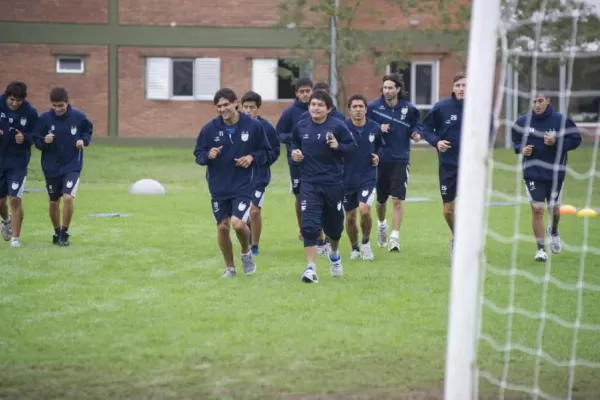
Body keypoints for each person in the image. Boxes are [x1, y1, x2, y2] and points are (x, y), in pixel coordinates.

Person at [194, 88, 274, 277]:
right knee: (222, 226)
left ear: (235, 103)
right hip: (218, 185)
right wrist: (208, 155)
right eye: (219, 106)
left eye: (226, 105)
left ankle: (246, 252)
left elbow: (267, 152)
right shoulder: (209, 129)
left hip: (244, 184)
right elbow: (198, 155)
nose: (222, 109)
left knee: (238, 224)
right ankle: (230, 268)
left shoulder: (254, 127)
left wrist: (252, 157)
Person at [291, 90, 357, 283]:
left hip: (333, 184)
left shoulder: (338, 126)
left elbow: (353, 149)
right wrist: (295, 154)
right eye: (313, 104)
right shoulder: (301, 126)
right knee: (309, 226)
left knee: (334, 229)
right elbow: (294, 143)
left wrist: (338, 146)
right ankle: (311, 269)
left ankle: (334, 255)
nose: (316, 108)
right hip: (309, 183)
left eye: (320, 105)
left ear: (328, 108)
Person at [512, 90, 582, 262]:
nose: (536, 105)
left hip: (555, 173)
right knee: (537, 209)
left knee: (554, 209)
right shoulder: (523, 121)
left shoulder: (561, 121)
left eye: (540, 101)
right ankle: (541, 249)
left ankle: (554, 230)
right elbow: (515, 141)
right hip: (532, 173)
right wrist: (521, 149)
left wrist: (556, 142)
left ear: (548, 101)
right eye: (534, 101)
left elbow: (576, 140)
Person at [367, 73, 421, 252]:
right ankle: (382, 225)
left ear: (398, 89)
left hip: (400, 158)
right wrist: (377, 128)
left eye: (390, 87)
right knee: (381, 201)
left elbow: (416, 126)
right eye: (385, 88)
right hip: (380, 159)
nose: (387, 91)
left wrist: (415, 133)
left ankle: (395, 237)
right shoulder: (373, 108)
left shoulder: (409, 109)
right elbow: (364, 127)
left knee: (397, 200)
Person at [33, 87, 93, 246]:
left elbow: (87, 131)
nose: (58, 109)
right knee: (53, 202)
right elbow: (36, 139)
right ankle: (57, 232)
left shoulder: (78, 117)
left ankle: (65, 233)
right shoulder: (45, 119)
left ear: (67, 102)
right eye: (55, 105)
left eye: (61, 105)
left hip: (72, 165)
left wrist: (83, 141)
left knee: (67, 197)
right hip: (51, 167)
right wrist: (43, 141)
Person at [421, 72, 466, 256]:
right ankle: (457, 237)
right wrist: (437, 142)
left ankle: (467, 242)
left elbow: (489, 129)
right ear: (453, 88)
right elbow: (426, 129)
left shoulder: (478, 107)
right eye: (459, 85)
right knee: (448, 210)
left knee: (469, 207)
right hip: (448, 165)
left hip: (471, 167)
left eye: (465, 85)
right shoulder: (442, 107)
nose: (462, 89)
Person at [240, 90, 281, 255]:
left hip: (259, 176)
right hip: (239, 177)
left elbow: (274, 152)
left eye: (252, 107)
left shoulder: (267, 128)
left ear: (258, 108)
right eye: (245, 107)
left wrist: (257, 161)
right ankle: (246, 241)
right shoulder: (237, 126)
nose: (248, 110)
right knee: (242, 215)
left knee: (255, 210)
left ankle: (255, 246)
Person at [343, 94, 382, 261]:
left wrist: (378, 157)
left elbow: (381, 148)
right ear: (349, 110)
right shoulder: (342, 128)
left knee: (364, 209)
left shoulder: (375, 127)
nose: (358, 110)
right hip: (346, 178)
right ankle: (354, 248)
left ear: (366, 109)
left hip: (367, 176)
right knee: (350, 217)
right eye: (355, 107)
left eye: (361, 107)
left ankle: (366, 243)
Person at [0, 81, 38, 248]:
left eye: (18, 101)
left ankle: (15, 239)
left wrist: (26, 138)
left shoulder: (30, 112)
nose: (14, 103)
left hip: (18, 162)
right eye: (11, 100)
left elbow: (37, 134)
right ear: (6, 97)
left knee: (15, 198)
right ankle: (6, 221)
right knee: (1, 202)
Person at [276, 77, 313, 241]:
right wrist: (294, 138)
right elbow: (279, 133)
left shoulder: (320, 109)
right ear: (296, 93)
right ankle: (302, 228)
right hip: (296, 162)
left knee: (319, 194)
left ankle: (320, 229)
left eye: (307, 91)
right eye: (301, 92)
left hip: (317, 161)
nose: (305, 95)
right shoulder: (290, 112)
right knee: (300, 195)